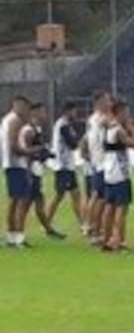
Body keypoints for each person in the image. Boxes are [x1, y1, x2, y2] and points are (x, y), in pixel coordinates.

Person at [101, 100, 134, 252]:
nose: (128, 116)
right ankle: (118, 241)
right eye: (126, 113)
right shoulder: (119, 130)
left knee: (109, 206)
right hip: (120, 172)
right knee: (121, 208)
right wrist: (132, 129)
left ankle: (107, 239)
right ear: (118, 113)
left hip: (109, 171)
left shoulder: (109, 128)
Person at [2, 97, 42, 248]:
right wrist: (31, 151)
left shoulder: (8, 120)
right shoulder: (15, 122)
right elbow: (14, 147)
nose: (27, 112)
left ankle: (11, 236)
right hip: (16, 164)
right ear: (17, 105)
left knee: (14, 201)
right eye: (26, 108)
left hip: (10, 164)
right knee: (22, 200)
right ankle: (19, 236)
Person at [22, 102, 61, 239]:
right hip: (31, 170)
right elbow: (26, 152)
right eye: (42, 112)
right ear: (34, 113)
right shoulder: (29, 130)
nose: (45, 115)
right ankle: (18, 232)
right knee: (27, 203)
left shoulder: (37, 129)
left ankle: (48, 229)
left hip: (37, 169)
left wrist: (46, 154)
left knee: (39, 200)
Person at [46, 101, 85, 236]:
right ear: (67, 111)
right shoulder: (63, 125)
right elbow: (72, 144)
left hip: (68, 165)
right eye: (74, 111)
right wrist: (82, 139)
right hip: (62, 165)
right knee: (59, 195)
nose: (76, 114)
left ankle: (82, 223)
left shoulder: (66, 125)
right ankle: (47, 223)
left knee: (76, 194)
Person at [85, 90, 113, 245]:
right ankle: (95, 230)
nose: (110, 104)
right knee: (101, 199)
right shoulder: (100, 119)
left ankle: (92, 227)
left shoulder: (92, 120)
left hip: (97, 162)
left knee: (97, 197)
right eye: (107, 101)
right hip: (103, 164)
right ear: (99, 102)